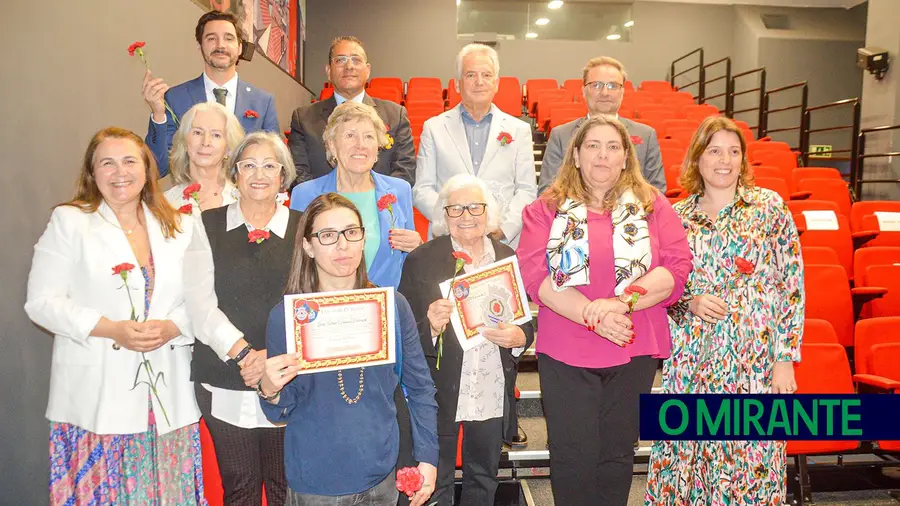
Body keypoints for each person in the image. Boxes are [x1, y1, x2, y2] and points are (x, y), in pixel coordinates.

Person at [516, 115, 692, 506]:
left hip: (633, 345)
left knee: (617, 453)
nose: (603, 155)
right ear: (575, 155)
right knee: (572, 455)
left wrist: (618, 304)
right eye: (593, 145)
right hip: (567, 350)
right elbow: (534, 275)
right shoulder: (545, 209)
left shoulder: (652, 204)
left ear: (626, 157)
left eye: (613, 147)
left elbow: (676, 268)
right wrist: (596, 316)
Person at [24, 127, 204, 505]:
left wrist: (173, 326)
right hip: (97, 401)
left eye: (128, 161)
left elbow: (201, 298)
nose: (119, 172)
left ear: (146, 169)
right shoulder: (70, 221)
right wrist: (110, 329)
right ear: (92, 172)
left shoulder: (181, 224)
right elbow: (41, 301)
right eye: (107, 162)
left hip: (167, 403)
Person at [644, 117, 803, 506]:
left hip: (754, 353)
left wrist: (785, 358)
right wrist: (689, 302)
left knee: (752, 451)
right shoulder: (674, 216)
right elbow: (656, 286)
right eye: (714, 150)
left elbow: (791, 286)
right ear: (698, 158)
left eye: (734, 151)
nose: (725, 160)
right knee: (690, 447)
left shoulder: (769, 207)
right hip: (694, 352)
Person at [257, 193, 439, 506]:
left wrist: (428, 457)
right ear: (308, 246)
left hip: (381, 478)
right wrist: (269, 390)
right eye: (327, 236)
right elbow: (281, 407)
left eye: (351, 232)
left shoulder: (392, 307)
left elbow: (421, 388)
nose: (343, 245)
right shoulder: (286, 318)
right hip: (315, 483)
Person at [399, 174, 534, 506]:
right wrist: (429, 326)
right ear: (444, 216)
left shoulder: (507, 257)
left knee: (484, 476)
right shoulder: (421, 260)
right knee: (437, 478)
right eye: (456, 209)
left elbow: (525, 324)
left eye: (475, 207)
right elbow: (404, 333)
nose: (466, 216)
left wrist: (518, 337)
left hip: (490, 386)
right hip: (441, 388)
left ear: (488, 213)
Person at [183, 132, 299, 505]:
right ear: (235, 174)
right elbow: (199, 303)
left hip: (289, 376)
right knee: (240, 487)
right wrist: (247, 355)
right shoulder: (208, 223)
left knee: (286, 487)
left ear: (283, 176)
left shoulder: (305, 228)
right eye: (249, 165)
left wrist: (272, 358)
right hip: (224, 375)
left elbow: (314, 303)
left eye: (270, 165)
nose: (259, 174)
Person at [413, 43, 536, 248]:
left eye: (486, 75)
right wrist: (454, 220)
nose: (479, 82)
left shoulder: (519, 130)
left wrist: (503, 227)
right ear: (457, 84)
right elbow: (422, 189)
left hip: (502, 242)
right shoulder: (434, 128)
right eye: (470, 75)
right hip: (447, 240)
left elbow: (527, 190)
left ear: (496, 83)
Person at [290, 101, 421, 290]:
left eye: (369, 137)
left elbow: (408, 262)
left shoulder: (400, 190)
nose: (360, 145)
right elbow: (298, 262)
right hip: (329, 307)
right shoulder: (305, 194)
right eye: (350, 136)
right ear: (332, 146)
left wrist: (417, 246)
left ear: (378, 148)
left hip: (387, 307)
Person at [143, 10, 280, 178]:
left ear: (240, 48)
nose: (220, 45)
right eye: (211, 38)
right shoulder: (175, 98)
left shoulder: (262, 102)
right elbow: (158, 169)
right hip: (194, 198)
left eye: (228, 38)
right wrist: (158, 114)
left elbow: (274, 163)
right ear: (200, 46)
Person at [288, 36, 415, 185]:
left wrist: (374, 201)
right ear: (328, 71)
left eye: (356, 60)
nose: (349, 66)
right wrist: (329, 206)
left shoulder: (395, 116)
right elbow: (298, 173)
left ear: (367, 71)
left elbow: (404, 171)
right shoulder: (304, 119)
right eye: (340, 60)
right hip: (321, 206)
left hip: (378, 206)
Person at [537, 56, 666, 194]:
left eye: (613, 86)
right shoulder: (561, 135)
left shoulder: (646, 135)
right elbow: (547, 192)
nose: (605, 93)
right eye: (596, 85)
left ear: (622, 92)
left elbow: (657, 193)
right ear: (584, 91)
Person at [164, 102, 245, 213]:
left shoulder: (244, 200)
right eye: (198, 132)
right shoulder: (166, 203)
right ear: (185, 142)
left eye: (216, 135)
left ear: (229, 148)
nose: (206, 142)